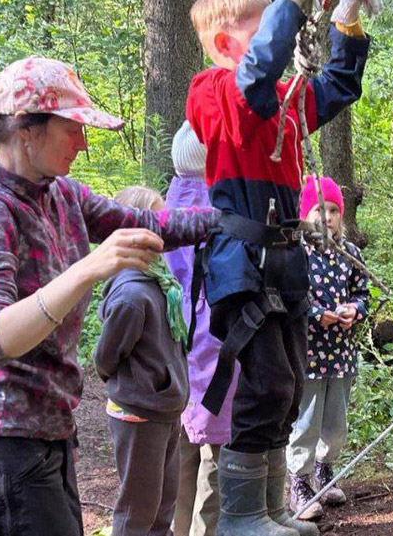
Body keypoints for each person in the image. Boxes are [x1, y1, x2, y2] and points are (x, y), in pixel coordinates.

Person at [0, 55, 220, 536]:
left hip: (49, 429)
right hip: (0, 441)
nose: (84, 142)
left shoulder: (62, 194)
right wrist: (89, 268)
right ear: (26, 130)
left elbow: (153, 225)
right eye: (73, 129)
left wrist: (233, 220)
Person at [185, 0, 380, 536]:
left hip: (285, 260)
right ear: (226, 44)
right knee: (264, 382)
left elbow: (338, 86)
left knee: (290, 385)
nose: (285, 31)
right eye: (268, 23)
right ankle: (241, 517)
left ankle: (268, 511)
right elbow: (252, 81)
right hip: (241, 260)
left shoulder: (282, 103)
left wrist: (345, 20)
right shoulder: (213, 92)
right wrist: (292, 6)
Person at [95, 186, 191, 536]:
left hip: (165, 408)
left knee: (163, 506)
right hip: (139, 412)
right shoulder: (132, 295)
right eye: (155, 221)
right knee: (137, 512)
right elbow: (105, 357)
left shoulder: (160, 282)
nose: (163, 229)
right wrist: (141, 382)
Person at [165, 121, 238, 536]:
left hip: (181, 353)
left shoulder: (171, 203)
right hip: (212, 347)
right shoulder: (214, 209)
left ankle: (181, 529)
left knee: (184, 452)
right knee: (212, 451)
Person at [286, 177, 369, 520]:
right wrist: (318, 314)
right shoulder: (297, 253)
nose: (328, 217)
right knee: (306, 420)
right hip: (309, 354)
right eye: (321, 209)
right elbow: (294, 296)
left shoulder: (351, 253)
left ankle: (324, 468)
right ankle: (299, 480)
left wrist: (354, 310)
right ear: (307, 213)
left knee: (336, 422)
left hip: (342, 355)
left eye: (334, 210)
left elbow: (363, 293)